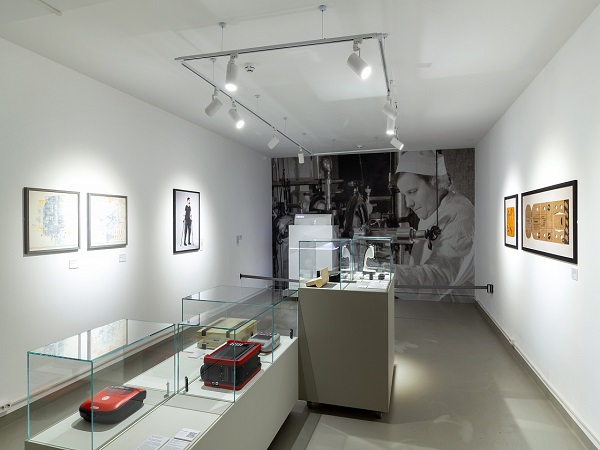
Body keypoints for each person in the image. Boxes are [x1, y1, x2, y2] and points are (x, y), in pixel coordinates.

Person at [393, 150, 474, 302]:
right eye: (404, 195)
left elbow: (438, 278)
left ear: (436, 182)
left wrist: (386, 274)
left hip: (453, 312)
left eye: (412, 192)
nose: (408, 203)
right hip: (430, 308)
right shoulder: (432, 211)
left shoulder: (461, 215)